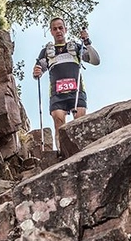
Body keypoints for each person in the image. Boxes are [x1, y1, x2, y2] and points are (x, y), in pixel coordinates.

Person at [32, 17, 100, 156]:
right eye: (55, 28)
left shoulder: (75, 47)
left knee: (80, 121)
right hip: (57, 93)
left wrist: (87, 42)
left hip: (76, 91)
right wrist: (36, 72)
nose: (58, 31)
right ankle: (63, 154)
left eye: (60, 28)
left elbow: (95, 60)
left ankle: (83, 152)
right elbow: (38, 71)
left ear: (65, 29)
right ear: (51, 31)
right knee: (59, 122)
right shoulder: (47, 51)